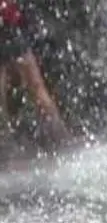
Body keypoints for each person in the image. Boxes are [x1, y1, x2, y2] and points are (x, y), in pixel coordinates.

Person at [0, 0, 70, 147]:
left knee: (35, 87)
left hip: (8, 25)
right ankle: (62, 138)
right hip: (9, 24)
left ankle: (60, 136)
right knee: (36, 87)